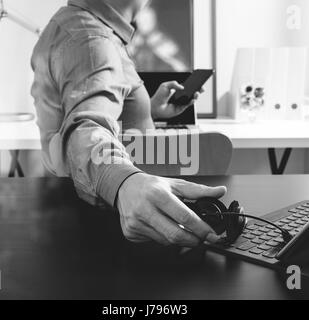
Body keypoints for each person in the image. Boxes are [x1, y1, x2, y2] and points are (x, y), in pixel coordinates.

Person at [31, 0, 226, 248]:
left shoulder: (78, 25)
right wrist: (123, 181)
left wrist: (150, 112)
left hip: (77, 216)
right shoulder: (91, 41)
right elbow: (85, 129)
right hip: (104, 230)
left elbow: (89, 113)